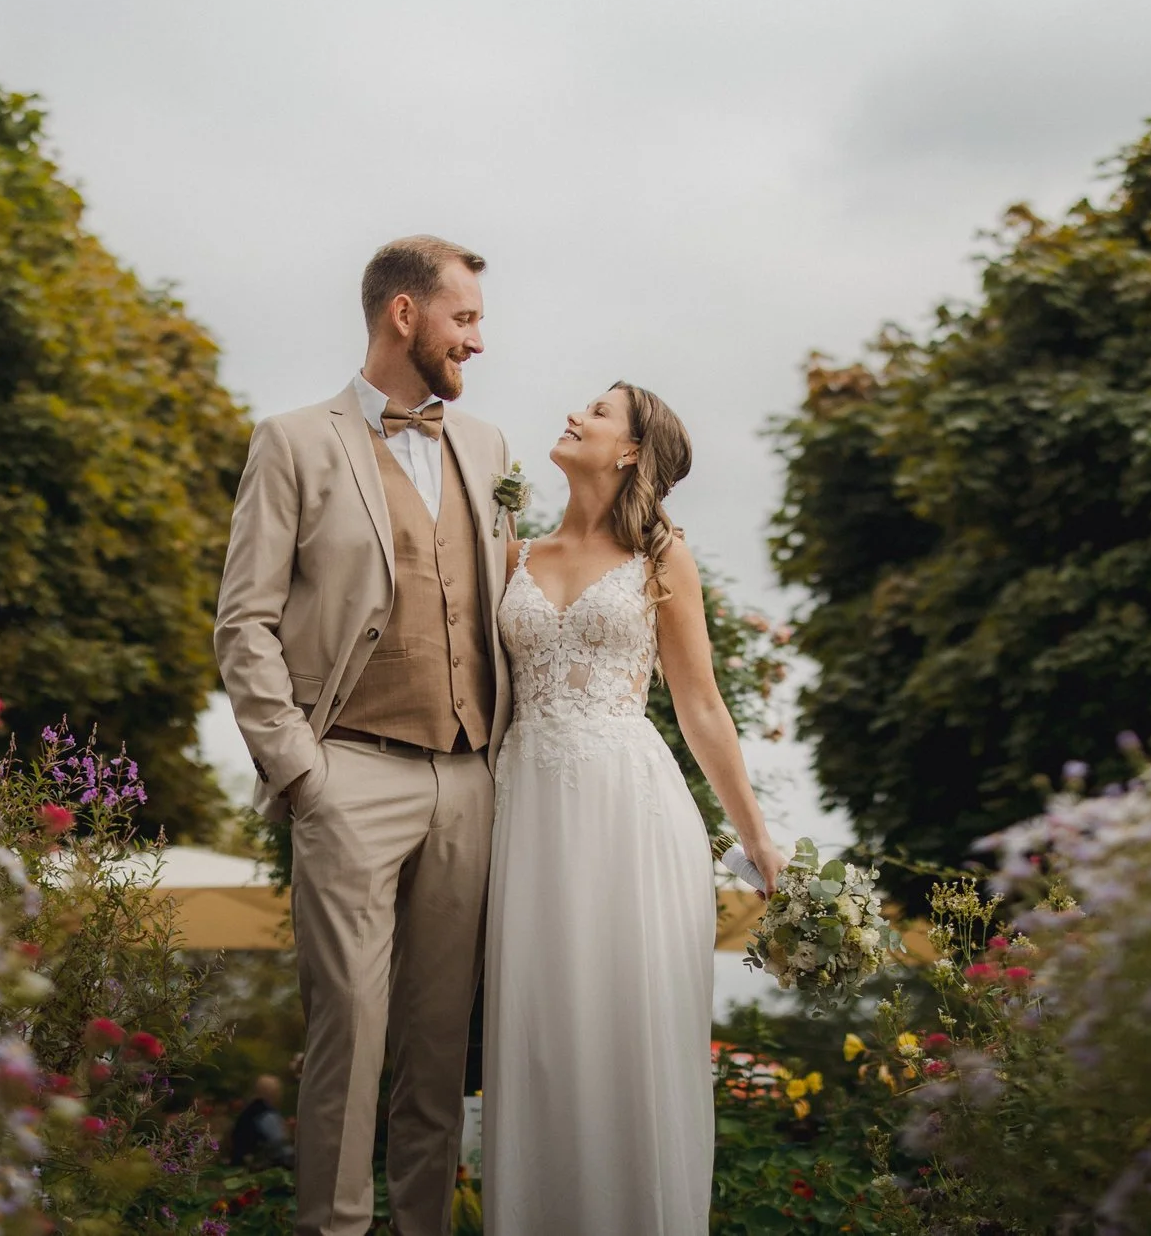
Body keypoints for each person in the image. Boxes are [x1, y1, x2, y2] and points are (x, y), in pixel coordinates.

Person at [215, 235, 515, 1236]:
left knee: (439, 1047)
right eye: (462, 317)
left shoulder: (488, 448)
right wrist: (301, 770)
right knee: (350, 1024)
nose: (478, 337)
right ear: (404, 313)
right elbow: (243, 620)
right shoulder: (294, 439)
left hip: (470, 775)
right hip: (349, 769)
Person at [480, 382, 787, 1236]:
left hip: (631, 810)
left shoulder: (663, 556)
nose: (574, 414)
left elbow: (701, 706)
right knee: (540, 1035)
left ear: (629, 451)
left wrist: (756, 837)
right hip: (528, 807)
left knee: (628, 1030)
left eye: (599, 411)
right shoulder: (511, 552)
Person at [228, 1074, 296, 1171]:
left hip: (240, 1169)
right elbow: (281, 1149)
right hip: (262, 1172)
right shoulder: (268, 1115)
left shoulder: (248, 1113)